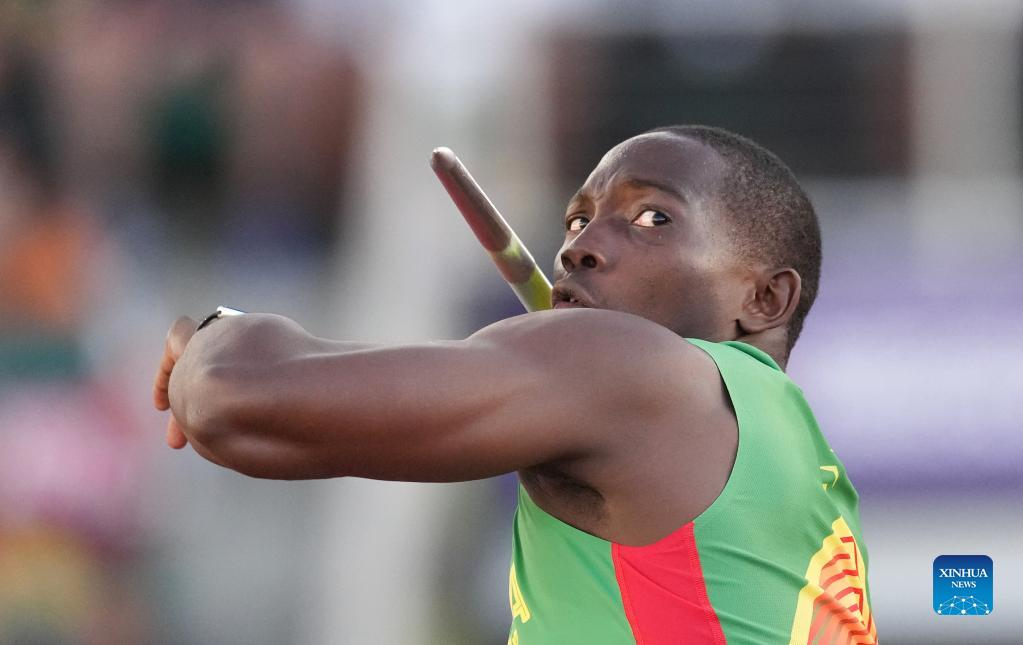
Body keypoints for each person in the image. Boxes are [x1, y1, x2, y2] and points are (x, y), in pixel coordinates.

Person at [154, 125, 876, 644]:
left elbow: (236, 396)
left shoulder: (634, 368)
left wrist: (216, 329)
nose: (578, 246)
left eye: (651, 218)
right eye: (577, 220)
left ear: (765, 299)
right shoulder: (807, 473)